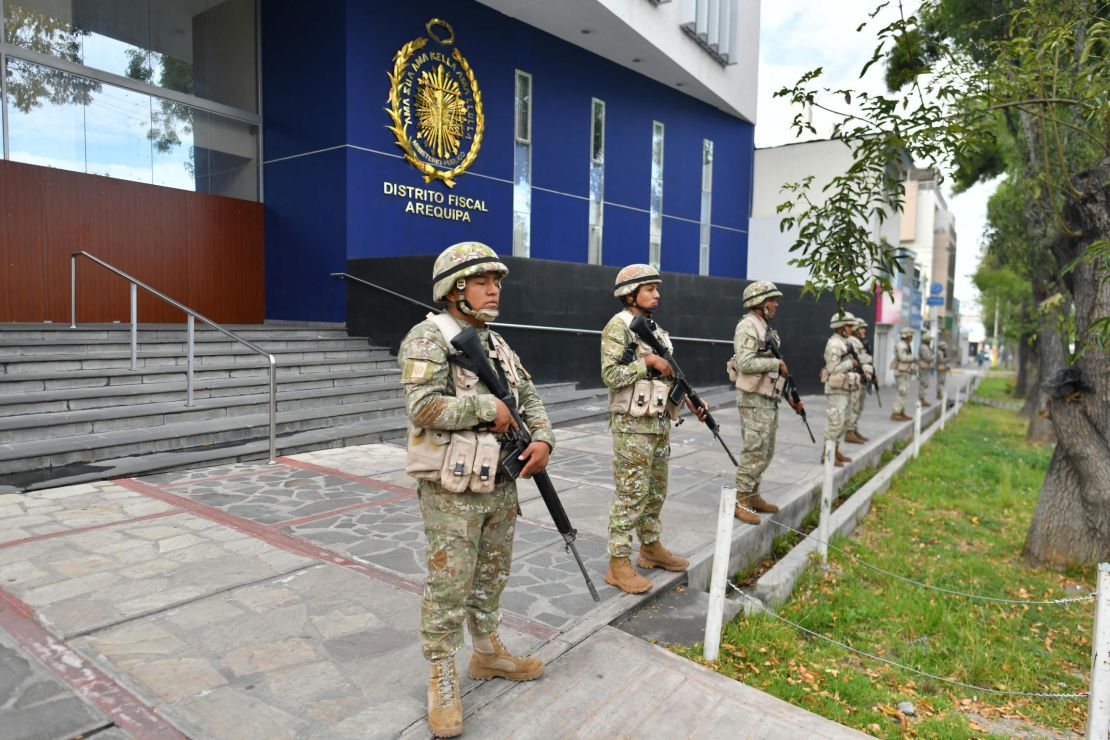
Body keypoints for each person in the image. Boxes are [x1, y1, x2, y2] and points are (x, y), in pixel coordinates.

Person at [398, 242, 556, 738]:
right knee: (450, 583)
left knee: (492, 574)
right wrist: (487, 410)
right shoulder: (428, 338)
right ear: (455, 288)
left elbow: (526, 394)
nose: (495, 290)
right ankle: (441, 673)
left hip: (501, 482)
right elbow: (423, 407)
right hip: (453, 489)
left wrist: (545, 437)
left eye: (497, 282)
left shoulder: (495, 341)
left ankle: (486, 653)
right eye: (484, 282)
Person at [600, 264, 706, 594]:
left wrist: (689, 398)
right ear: (629, 294)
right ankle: (618, 562)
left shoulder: (653, 329)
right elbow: (609, 375)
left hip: (658, 421)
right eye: (649, 289)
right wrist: (644, 363)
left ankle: (650, 547)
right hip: (632, 426)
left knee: (656, 489)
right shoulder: (618, 327)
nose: (657, 294)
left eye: (657, 289)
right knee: (631, 493)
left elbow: (669, 372)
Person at [728, 281, 804, 525]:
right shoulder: (747, 326)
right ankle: (740, 501)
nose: (776, 304)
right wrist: (775, 364)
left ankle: (753, 495)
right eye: (771, 300)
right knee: (754, 450)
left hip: (767, 397)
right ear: (758, 303)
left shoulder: (764, 327)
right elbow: (746, 363)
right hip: (752, 399)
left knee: (766, 450)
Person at [822, 312, 860, 467]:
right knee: (835, 423)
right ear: (840, 327)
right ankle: (827, 455)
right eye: (849, 325)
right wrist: (850, 363)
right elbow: (832, 368)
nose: (851, 329)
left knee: (843, 422)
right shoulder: (834, 345)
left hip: (844, 388)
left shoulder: (844, 342)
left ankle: (835, 450)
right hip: (836, 389)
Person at [844, 317, 874, 444]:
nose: (863, 331)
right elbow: (862, 359)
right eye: (861, 328)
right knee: (854, 405)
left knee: (859, 405)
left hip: (862, 377)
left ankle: (854, 429)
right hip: (855, 376)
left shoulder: (860, 341)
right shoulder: (852, 341)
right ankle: (849, 431)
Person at [891, 327, 915, 422]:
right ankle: (896, 413)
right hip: (901, 371)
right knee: (902, 392)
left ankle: (901, 412)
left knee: (904, 393)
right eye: (910, 335)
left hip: (905, 371)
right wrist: (913, 358)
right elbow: (902, 358)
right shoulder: (902, 345)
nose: (911, 337)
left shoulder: (905, 345)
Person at [918, 333, 935, 407]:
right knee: (923, 383)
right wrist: (933, 356)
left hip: (925, 367)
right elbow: (927, 358)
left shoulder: (925, 347)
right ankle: (921, 399)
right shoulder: (924, 347)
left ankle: (922, 398)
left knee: (925, 384)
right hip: (923, 367)